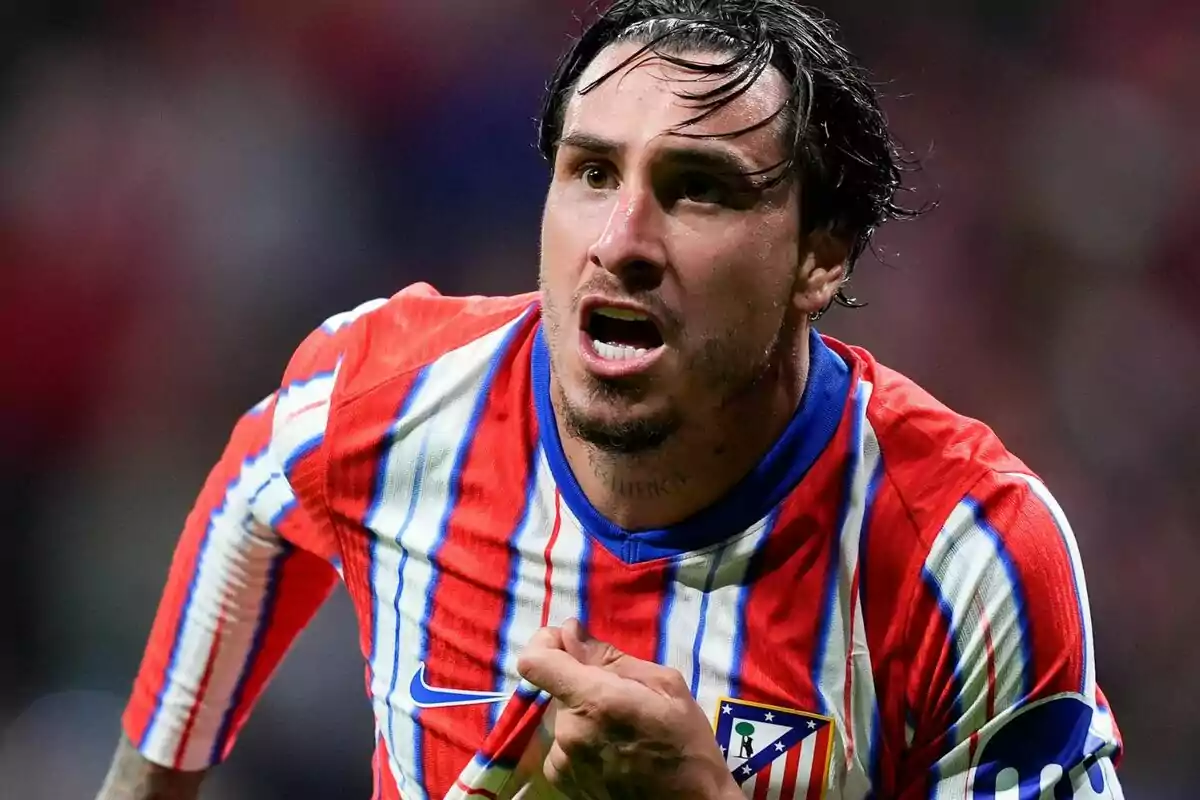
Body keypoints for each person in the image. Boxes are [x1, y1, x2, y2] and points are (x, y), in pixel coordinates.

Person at [97, 1, 1125, 799]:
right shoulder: (380, 400)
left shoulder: (967, 547)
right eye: (591, 172)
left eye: (698, 188)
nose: (622, 239)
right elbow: (253, 497)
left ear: (821, 254)